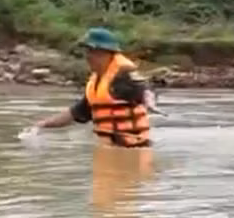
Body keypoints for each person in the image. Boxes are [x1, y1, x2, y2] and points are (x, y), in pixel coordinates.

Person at [29, 27, 160, 148]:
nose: (87, 56)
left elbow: (145, 88)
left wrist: (149, 102)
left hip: (134, 152)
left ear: (105, 52)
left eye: (91, 51)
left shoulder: (123, 76)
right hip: (110, 151)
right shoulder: (97, 83)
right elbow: (76, 113)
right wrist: (43, 124)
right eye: (87, 51)